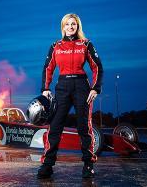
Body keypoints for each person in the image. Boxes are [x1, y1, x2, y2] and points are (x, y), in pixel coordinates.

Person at [37, 13, 103, 179]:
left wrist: (95, 88)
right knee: (55, 126)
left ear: (77, 26)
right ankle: (47, 165)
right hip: (62, 87)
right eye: (67, 24)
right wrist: (45, 88)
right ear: (63, 27)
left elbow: (97, 67)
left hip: (82, 87)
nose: (70, 27)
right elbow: (47, 68)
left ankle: (88, 165)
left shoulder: (86, 44)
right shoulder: (55, 46)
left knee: (84, 127)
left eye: (73, 24)